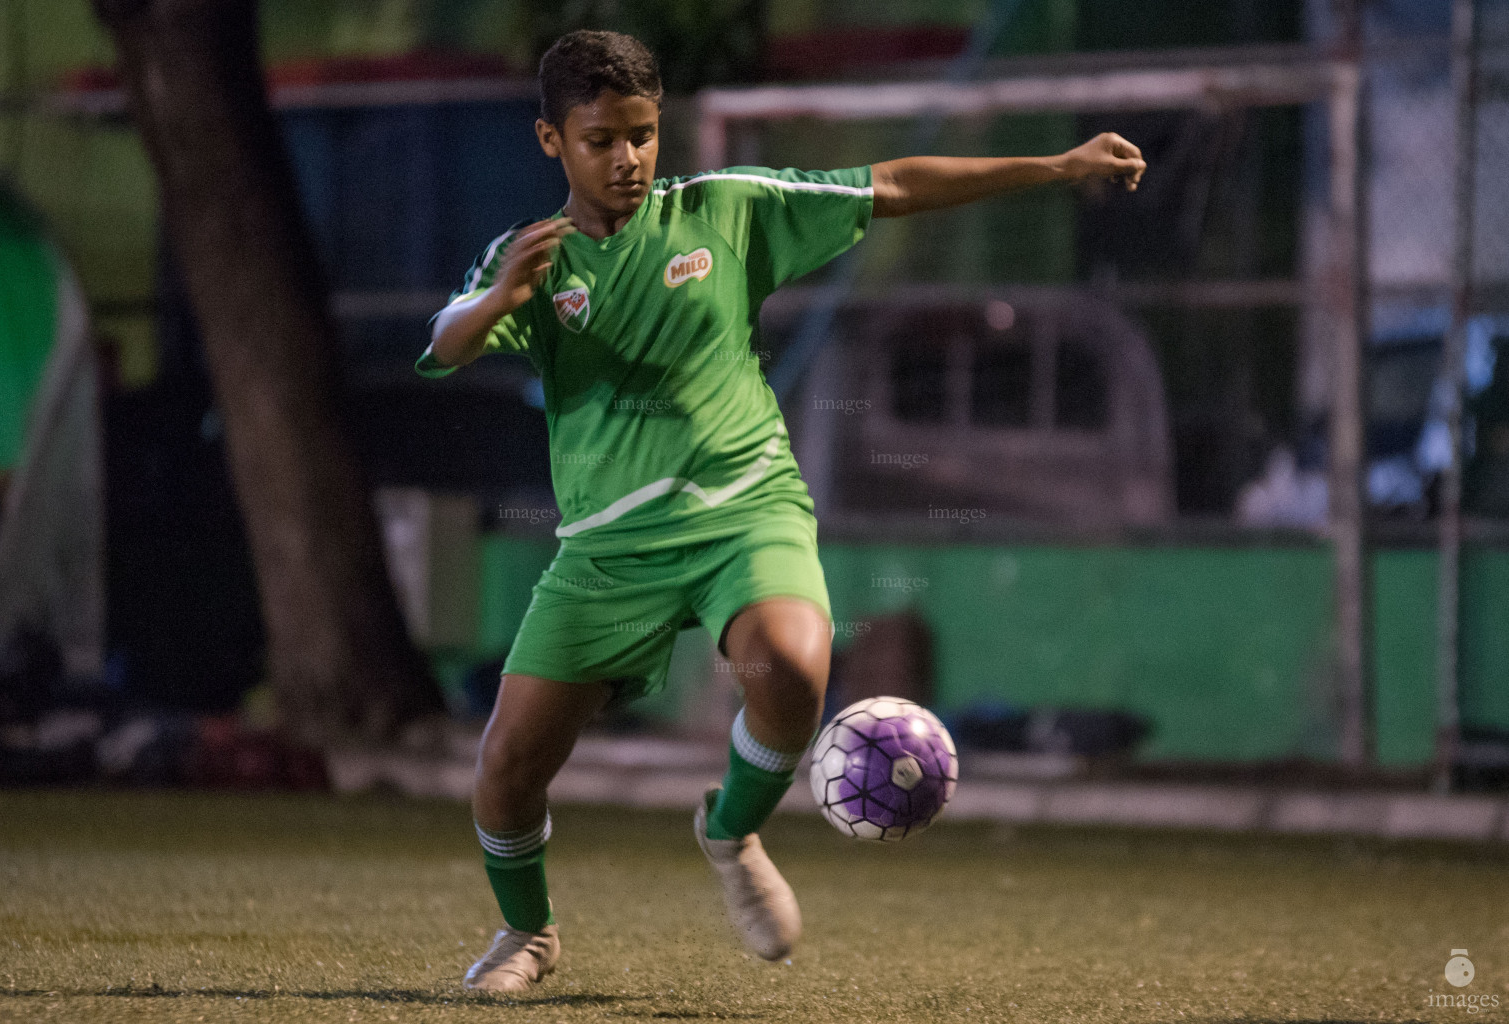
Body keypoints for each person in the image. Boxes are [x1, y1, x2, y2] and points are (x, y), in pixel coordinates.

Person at [417, 28, 1145, 995]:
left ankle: (731, 830)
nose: (628, 158)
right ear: (552, 141)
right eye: (601, 140)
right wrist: (501, 294)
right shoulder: (533, 262)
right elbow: (446, 340)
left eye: (642, 133)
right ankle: (528, 935)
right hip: (607, 554)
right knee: (506, 770)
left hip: (743, 517)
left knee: (795, 669)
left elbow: (891, 183)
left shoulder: (729, 212)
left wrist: (1053, 164)